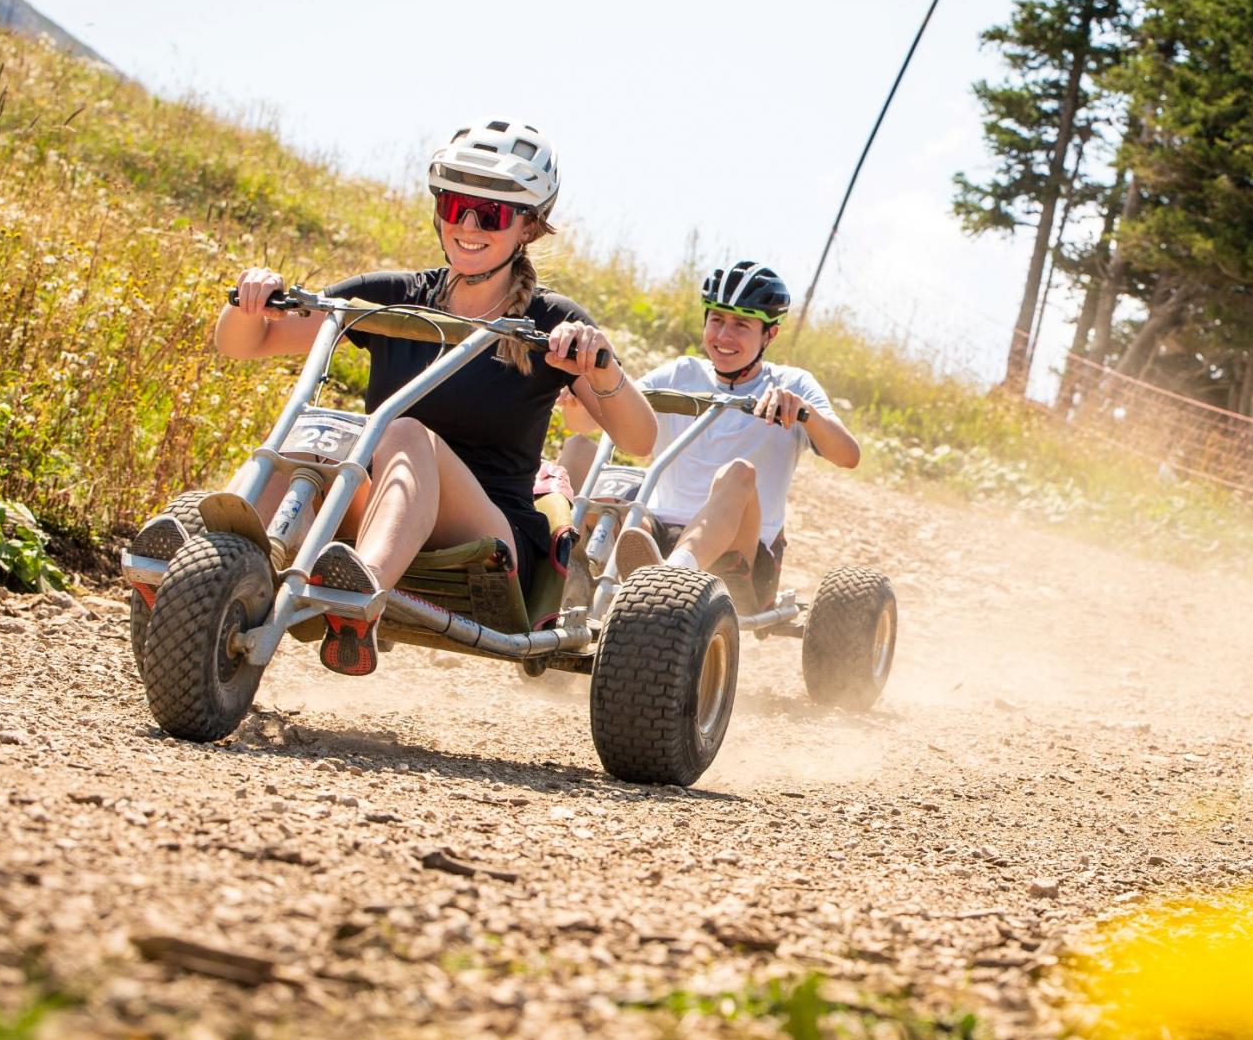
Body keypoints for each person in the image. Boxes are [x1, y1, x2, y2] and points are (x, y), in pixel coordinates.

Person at [213, 119, 657, 675]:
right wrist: (249, 299)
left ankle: (361, 598)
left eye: (490, 214)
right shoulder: (392, 298)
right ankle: (213, 563)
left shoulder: (550, 323)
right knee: (311, 445)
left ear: (527, 226)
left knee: (401, 431)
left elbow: (640, 439)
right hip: (381, 509)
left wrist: (600, 365)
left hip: (489, 534)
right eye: (455, 207)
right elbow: (245, 343)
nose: (468, 226)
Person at [559, 260, 859, 611]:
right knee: (578, 450)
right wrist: (576, 403)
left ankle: (672, 576)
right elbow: (588, 422)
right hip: (655, 532)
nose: (724, 336)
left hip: (739, 551)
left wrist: (804, 413)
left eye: (741, 325)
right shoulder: (680, 374)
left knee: (739, 472)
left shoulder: (792, 385)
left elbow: (848, 456)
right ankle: (564, 565)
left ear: (770, 334)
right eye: (716, 320)